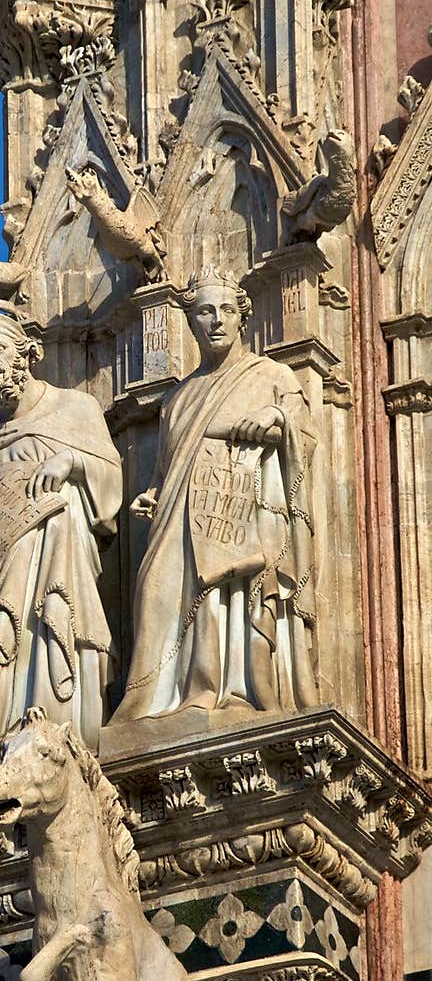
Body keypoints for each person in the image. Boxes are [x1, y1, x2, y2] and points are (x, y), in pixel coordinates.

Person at [113, 266, 318, 724]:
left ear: (242, 317)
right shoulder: (178, 399)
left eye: (227, 310)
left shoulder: (271, 375)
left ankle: (227, 691)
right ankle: (162, 697)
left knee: (221, 595)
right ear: (191, 321)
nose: (217, 321)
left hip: (242, 511)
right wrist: (150, 495)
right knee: (154, 591)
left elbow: (302, 432)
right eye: (205, 311)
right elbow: (168, 468)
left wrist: (274, 418)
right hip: (182, 517)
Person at [0, 309, 122, 772]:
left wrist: (71, 463)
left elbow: (111, 482)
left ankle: (50, 738)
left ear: (26, 355)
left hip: (54, 556)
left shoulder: (75, 408)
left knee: (41, 638)